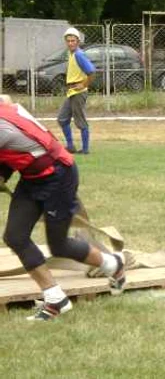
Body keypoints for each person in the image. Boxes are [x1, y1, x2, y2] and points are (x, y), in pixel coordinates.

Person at [0, 95, 125, 321]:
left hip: (58, 174)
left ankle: (113, 264)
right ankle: (56, 298)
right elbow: (5, 99)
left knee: (58, 245)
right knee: (15, 236)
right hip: (31, 176)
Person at [58, 27, 95, 154]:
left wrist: (83, 84)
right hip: (71, 92)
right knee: (62, 119)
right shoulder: (71, 54)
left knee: (80, 121)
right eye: (68, 41)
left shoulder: (79, 54)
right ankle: (70, 146)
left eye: (73, 41)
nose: (70, 43)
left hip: (78, 93)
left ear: (78, 41)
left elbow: (91, 72)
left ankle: (85, 150)